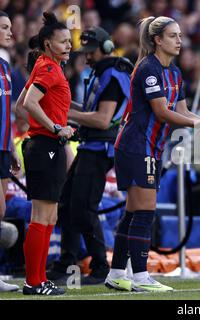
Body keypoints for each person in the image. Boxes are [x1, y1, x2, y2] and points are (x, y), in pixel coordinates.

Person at [105, 16, 200, 292]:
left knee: (132, 212)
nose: (180, 41)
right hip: (135, 145)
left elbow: (183, 112)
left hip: (150, 147)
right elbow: (162, 112)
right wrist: (196, 124)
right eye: (173, 36)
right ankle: (141, 277)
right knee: (145, 212)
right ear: (157, 40)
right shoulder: (148, 69)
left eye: (180, 35)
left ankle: (117, 273)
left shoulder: (174, 72)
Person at [46, 27, 132, 285]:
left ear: (105, 48)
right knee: (67, 204)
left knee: (84, 209)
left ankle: (100, 267)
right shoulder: (101, 73)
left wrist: (65, 114)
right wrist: (61, 103)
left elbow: (103, 119)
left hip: (99, 148)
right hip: (89, 146)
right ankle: (66, 262)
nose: (86, 57)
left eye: (90, 51)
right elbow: (92, 111)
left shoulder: (113, 75)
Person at [16, 12, 74, 295]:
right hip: (46, 146)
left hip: (43, 146)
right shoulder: (49, 68)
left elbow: (20, 107)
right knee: (42, 216)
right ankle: (33, 282)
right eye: (62, 41)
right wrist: (53, 127)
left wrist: (40, 126)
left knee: (48, 217)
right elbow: (28, 102)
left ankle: (38, 279)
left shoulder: (44, 66)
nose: (68, 46)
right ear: (48, 43)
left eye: (69, 42)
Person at [0, 10, 20, 293]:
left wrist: (12, 145)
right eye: (4, 27)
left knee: (1, 210)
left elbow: (7, 114)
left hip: (3, 147)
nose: (10, 32)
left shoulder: (4, 68)